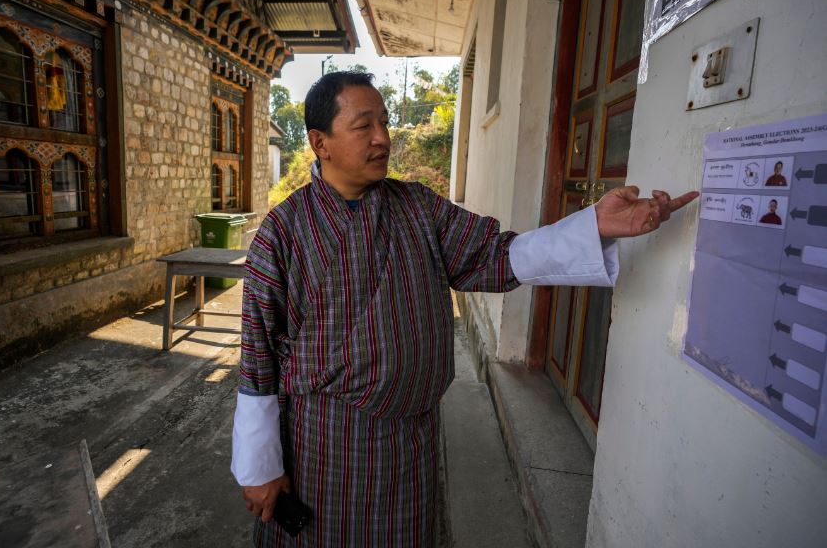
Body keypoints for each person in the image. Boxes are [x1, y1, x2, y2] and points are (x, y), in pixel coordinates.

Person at [231, 72, 698, 547]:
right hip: (328, 444)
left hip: (411, 441)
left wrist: (592, 225)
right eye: (363, 125)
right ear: (320, 142)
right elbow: (258, 356)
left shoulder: (416, 208)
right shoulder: (283, 232)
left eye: (385, 123)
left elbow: (495, 254)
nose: (382, 138)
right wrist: (260, 466)